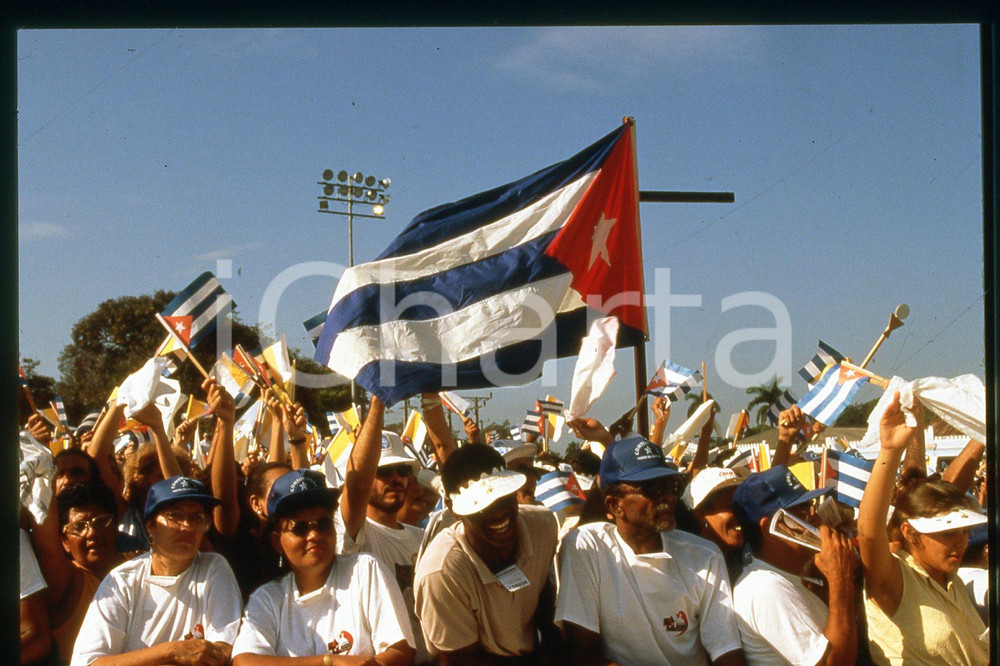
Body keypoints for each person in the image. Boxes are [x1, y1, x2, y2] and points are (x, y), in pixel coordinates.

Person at [556, 435, 744, 666]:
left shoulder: (704, 555)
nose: (667, 497)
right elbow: (582, 654)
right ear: (614, 505)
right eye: (652, 489)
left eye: (671, 486)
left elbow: (726, 650)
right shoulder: (589, 547)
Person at [231, 468, 415, 665]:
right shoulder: (267, 598)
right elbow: (245, 661)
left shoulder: (365, 570)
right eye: (300, 528)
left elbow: (401, 650)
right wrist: (329, 661)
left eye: (323, 524)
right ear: (277, 542)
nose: (314, 535)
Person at [858, 392, 988, 665]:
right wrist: (890, 452)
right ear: (909, 532)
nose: (961, 542)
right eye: (947, 533)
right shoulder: (896, 580)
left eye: (964, 532)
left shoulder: (952, 581)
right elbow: (870, 534)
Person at [70, 476, 242, 666]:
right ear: (150, 526)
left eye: (197, 518)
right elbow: (88, 662)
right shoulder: (121, 581)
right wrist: (172, 651)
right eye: (175, 516)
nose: (187, 526)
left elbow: (222, 651)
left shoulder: (214, 568)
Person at [414, 444, 559, 663]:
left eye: (503, 497)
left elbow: (543, 596)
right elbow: (461, 660)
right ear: (454, 509)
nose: (498, 512)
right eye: (481, 506)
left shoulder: (543, 526)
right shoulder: (442, 572)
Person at [731, 465, 858, 666]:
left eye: (812, 506)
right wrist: (840, 581)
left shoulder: (785, 578)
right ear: (770, 528)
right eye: (803, 511)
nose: (816, 518)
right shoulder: (763, 587)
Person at [29, 481, 125, 663]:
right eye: (79, 527)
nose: (91, 533)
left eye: (101, 521)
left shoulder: (141, 565)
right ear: (64, 542)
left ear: (115, 526)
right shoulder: (69, 580)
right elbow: (47, 546)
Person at [681, 466, 745, 583]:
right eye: (730, 506)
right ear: (700, 514)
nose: (741, 513)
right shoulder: (689, 573)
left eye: (743, 504)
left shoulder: (747, 560)